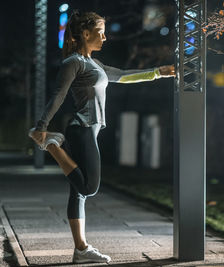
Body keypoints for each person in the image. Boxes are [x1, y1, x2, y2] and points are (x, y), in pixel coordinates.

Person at [28, 10, 175, 264]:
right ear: (85, 34)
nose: (105, 37)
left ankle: (81, 250)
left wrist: (158, 72)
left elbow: (123, 75)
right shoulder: (73, 62)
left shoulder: (94, 64)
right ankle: (52, 145)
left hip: (90, 129)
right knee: (88, 187)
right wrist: (42, 126)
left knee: (78, 192)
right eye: (100, 31)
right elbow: (58, 95)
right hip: (82, 128)